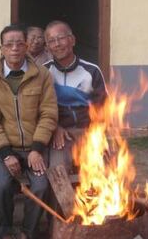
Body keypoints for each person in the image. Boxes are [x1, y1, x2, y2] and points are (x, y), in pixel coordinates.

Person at [0, 24, 57, 239]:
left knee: (40, 186)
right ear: (1, 48)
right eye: (9, 44)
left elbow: (48, 114)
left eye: (19, 43)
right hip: (6, 148)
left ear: (26, 46)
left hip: (35, 147)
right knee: (2, 187)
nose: (14, 48)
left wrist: (37, 148)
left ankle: (26, 237)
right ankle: (6, 238)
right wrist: (6, 154)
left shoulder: (42, 75)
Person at [43, 20, 108, 172]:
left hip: (88, 130)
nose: (57, 44)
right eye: (51, 41)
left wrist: (94, 132)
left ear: (72, 40)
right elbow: (38, 108)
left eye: (61, 38)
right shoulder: (43, 72)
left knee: (101, 172)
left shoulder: (91, 71)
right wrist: (55, 127)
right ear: (47, 47)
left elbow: (103, 106)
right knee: (58, 172)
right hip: (59, 133)